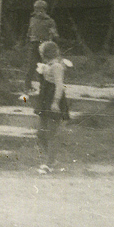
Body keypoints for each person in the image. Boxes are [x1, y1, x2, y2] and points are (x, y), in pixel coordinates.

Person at [34, 41, 70, 174]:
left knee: (52, 133)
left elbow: (60, 85)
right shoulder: (48, 65)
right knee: (41, 133)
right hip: (45, 99)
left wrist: (55, 102)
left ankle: (49, 163)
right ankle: (50, 158)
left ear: (46, 53)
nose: (41, 55)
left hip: (53, 99)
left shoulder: (57, 66)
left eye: (42, 52)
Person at [25, 0, 59, 93]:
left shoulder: (50, 21)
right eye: (36, 9)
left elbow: (55, 35)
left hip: (44, 46)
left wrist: (52, 39)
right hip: (33, 44)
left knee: (44, 66)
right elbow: (29, 32)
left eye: (40, 9)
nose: (37, 11)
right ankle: (27, 86)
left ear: (44, 10)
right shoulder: (32, 19)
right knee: (31, 66)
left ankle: (43, 87)